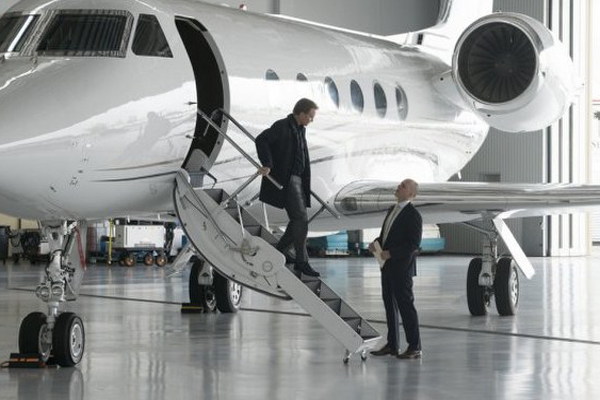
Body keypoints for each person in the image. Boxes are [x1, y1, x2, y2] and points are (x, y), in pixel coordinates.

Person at [255, 98, 320, 277]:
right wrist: (267, 163)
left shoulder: (300, 130)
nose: (311, 120)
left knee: (298, 220)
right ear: (301, 113)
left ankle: (279, 252)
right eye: (310, 116)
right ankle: (301, 261)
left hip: (298, 180)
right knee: (301, 219)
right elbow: (261, 140)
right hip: (288, 179)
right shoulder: (282, 126)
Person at [370, 179, 423, 359]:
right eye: (400, 185)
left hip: (401, 268)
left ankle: (415, 347)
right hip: (387, 267)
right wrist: (376, 243)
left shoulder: (413, 215)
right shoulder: (392, 210)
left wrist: (391, 253)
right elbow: (387, 235)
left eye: (403, 186)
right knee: (389, 306)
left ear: (411, 194)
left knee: (406, 306)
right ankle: (392, 345)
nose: (398, 187)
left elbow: (413, 244)